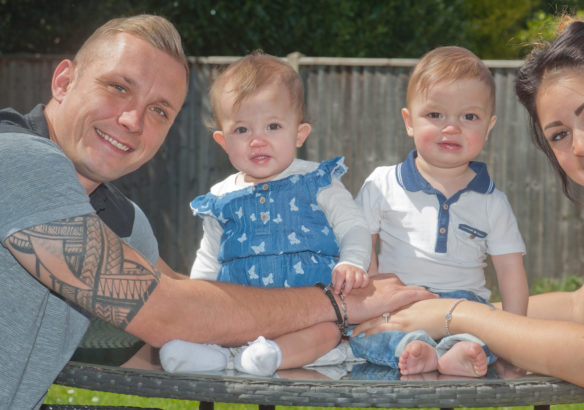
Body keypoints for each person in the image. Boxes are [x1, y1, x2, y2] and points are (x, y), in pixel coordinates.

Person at [0, 15, 433, 409]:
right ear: (63, 81)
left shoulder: (122, 220)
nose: (133, 120)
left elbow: (198, 307)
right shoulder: (16, 157)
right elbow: (167, 311)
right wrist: (338, 304)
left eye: (159, 111)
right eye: (118, 87)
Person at [353, 13, 584, 407]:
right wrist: (426, 308)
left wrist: (456, 315)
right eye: (559, 134)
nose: (580, 145)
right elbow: (581, 309)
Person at [158, 52, 371, 377]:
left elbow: (353, 227)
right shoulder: (220, 198)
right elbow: (208, 259)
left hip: (310, 313)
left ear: (299, 134)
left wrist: (352, 261)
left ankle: (271, 355)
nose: (258, 140)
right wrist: (199, 306)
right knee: (213, 327)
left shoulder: (317, 181)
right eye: (242, 129)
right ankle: (218, 355)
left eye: (273, 126)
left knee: (328, 333)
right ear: (223, 141)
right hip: (240, 313)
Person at [348, 46, 528, 378]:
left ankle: (456, 351)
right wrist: (373, 294)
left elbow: (510, 271)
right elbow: (360, 241)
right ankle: (416, 349)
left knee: (486, 334)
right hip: (399, 301)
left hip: (466, 305)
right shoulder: (383, 184)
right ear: (409, 122)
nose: (451, 128)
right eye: (435, 115)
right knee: (362, 335)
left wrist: (514, 335)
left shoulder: (492, 201)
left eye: (468, 117)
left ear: (489, 128)